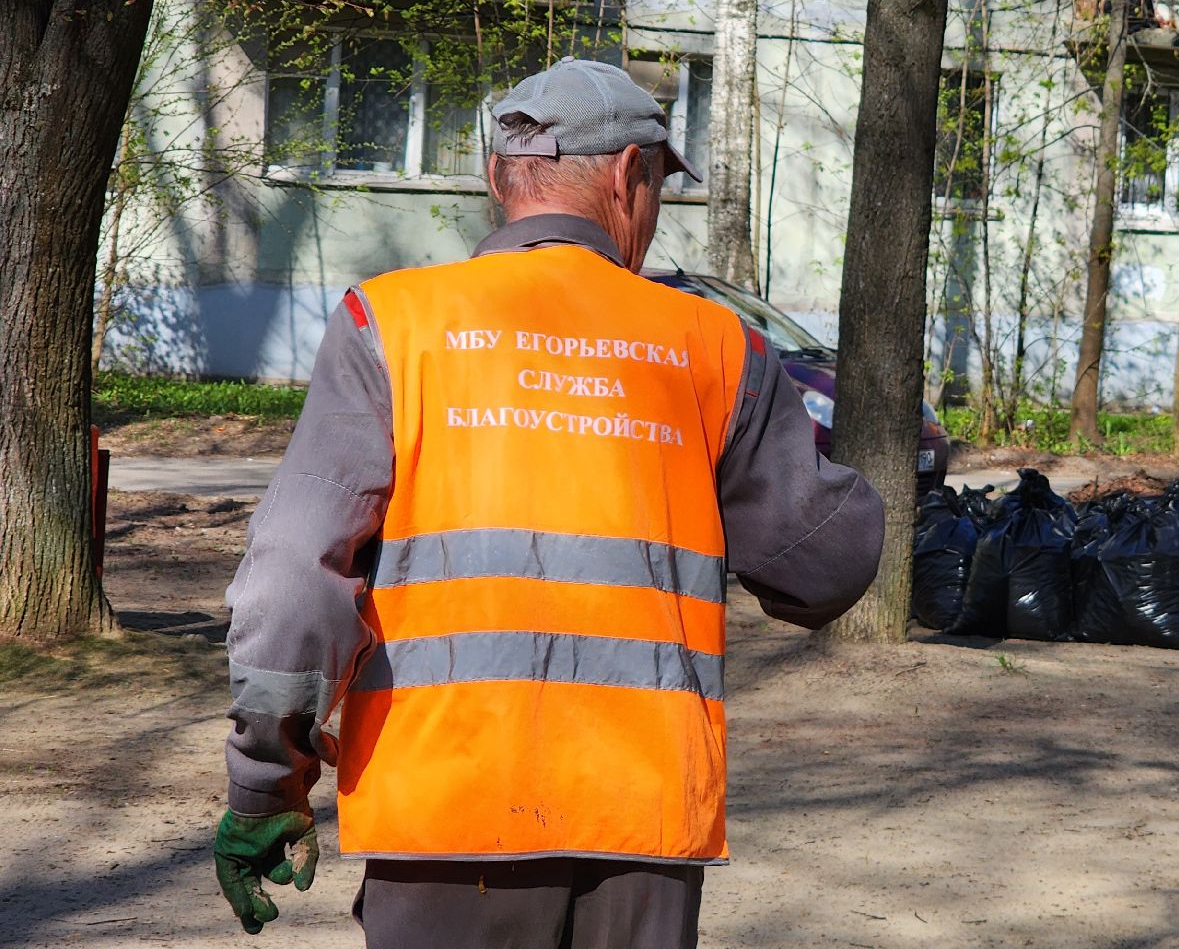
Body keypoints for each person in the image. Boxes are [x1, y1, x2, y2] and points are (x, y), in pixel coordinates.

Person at [211, 58, 883, 947]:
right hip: (639, 825)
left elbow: (293, 577)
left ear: (499, 177)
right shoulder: (716, 349)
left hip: (443, 817)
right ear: (627, 176)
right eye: (657, 189)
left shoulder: (390, 326)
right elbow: (823, 569)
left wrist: (268, 778)